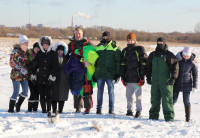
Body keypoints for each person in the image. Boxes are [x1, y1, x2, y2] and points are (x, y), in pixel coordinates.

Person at [65, 26, 98, 114]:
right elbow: (67, 55)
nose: (78, 35)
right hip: (74, 68)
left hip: (85, 67)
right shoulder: (71, 44)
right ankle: (78, 107)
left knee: (86, 86)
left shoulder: (88, 43)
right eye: (76, 34)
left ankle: (87, 107)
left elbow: (93, 52)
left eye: (79, 33)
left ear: (83, 34)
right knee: (76, 86)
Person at [146, 37, 179, 122]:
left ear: (164, 43)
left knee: (167, 101)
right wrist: (148, 77)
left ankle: (169, 118)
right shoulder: (152, 55)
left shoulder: (169, 55)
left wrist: (173, 78)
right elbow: (148, 67)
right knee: (154, 100)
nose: (159, 44)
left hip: (166, 82)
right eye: (158, 42)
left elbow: (175, 67)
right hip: (155, 82)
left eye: (161, 42)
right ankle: (153, 117)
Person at [120, 33, 147, 118]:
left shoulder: (139, 49)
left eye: (131, 40)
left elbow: (143, 64)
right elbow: (122, 65)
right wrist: (123, 77)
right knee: (129, 96)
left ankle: (138, 111)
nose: (130, 41)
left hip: (137, 80)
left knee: (138, 96)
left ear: (135, 40)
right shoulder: (125, 51)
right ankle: (129, 110)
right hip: (128, 79)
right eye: (128, 40)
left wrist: (142, 77)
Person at [94, 31, 121, 114]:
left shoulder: (115, 47)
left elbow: (118, 62)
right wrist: (94, 74)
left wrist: (117, 73)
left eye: (106, 37)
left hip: (111, 74)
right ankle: (98, 109)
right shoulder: (97, 47)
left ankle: (111, 109)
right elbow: (94, 62)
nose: (105, 38)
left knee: (111, 92)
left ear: (110, 37)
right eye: (104, 37)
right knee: (99, 92)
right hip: (100, 74)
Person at [31, 36, 58, 113]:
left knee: (48, 95)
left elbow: (55, 66)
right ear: (41, 45)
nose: (45, 46)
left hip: (49, 78)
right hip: (40, 78)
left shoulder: (53, 54)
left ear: (50, 45)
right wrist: (33, 74)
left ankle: (49, 109)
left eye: (47, 44)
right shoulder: (39, 54)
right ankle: (43, 110)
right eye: (43, 45)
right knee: (41, 95)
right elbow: (35, 65)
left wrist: (52, 75)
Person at [173, 46, 198, 122]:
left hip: (187, 84)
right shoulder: (177, 60)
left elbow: (195, 74)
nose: (186, 57)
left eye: (187, 56)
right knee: (173, 100)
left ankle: (187, 118)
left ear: (190, 55)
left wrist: (195, 86)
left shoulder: (193, 63)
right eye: (184, 55)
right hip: (177, 83)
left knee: (186, 101)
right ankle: (169, 115)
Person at [8, 35, 29, 113]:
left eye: (27, 43)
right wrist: (21, 69)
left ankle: (18, 105)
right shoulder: (15, 51)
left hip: (24, 76)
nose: (26, 44)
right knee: (16, 92)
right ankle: (10, 109)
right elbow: (11, 63)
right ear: (21, 43)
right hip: (16, 75)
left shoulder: (26, 52)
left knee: (25, 92)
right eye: (25, 43)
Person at [51, 42, 70, 113]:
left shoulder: (67, 59)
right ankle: (54, 110)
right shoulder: (53, 58)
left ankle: (60, 110)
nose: (60, 52)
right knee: (54, 95)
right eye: (58, 50)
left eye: (61, 50)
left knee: (62, 96)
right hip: (55, 79)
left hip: (64, 79)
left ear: (63, 51)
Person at [26, 42, 40, 112]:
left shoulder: (41, 55)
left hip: (38, 77)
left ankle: (35, 109)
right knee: (33, 92)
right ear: (33, 48)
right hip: (30, 76)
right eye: (35, 48)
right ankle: (29, 108)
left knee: (37, 92)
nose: (37, 49)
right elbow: (28, 65)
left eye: (38, 48)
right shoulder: (29, 54)